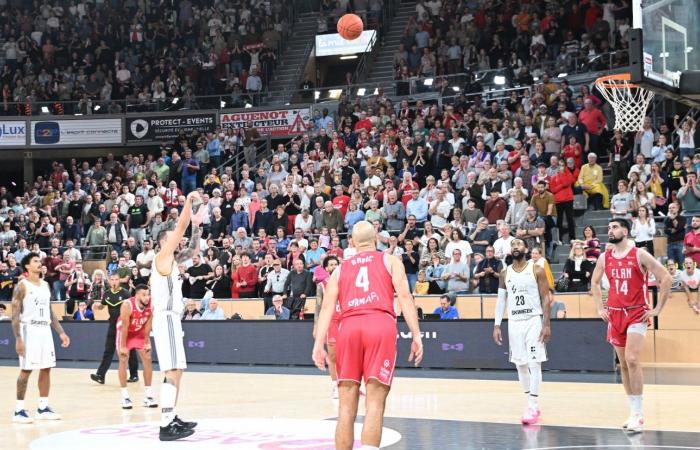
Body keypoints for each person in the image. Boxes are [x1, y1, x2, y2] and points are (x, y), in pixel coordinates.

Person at [312, 221, 423, 450]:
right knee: (374, 403)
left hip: (348, 328)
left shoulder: (341, 269)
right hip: (379, 325)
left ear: (351, 243)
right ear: (376, 240)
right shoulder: (389, 260)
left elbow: (327, 308)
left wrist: (318, 344)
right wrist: (416, 335)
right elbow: (405, 298)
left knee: (345, 407)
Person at [591, 218, 671, 433]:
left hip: (636, 312)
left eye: (615, 227)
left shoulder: (639, 254)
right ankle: (633, 411)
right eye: (608, 227)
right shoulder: (604, 257)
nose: (610, 230)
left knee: (632, 359)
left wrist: (657, 310)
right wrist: (600, 307)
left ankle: (639, 414)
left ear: (625, 231)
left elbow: (666, 278)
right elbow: (595, 282)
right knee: (624, 365)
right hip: (615, 314)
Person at [151, 191, 204, 441]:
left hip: (172, 318)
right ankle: (165, 424)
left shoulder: (173, 260)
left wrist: (197, 226)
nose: (177, 239)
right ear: (164, 241)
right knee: (172, 369)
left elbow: (193, 250)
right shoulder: (162, 257)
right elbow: (180, 227)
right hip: (165, 318)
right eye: (173, 237)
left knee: (177, 370)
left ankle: (171, 416)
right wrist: (188, 203)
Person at [492, 239, 551, 425]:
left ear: (525, 249)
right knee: (520, 365)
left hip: (533, 320)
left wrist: (547, 324)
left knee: (534, 363)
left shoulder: (537, 270)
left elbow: (545, 298)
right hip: (514, 322)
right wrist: (496, 325)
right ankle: (530, 403)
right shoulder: (504, 273)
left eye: (519, 244)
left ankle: (533, 405)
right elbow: (501, 301)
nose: (516, 247)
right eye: (513, 244)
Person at [12, 252, 71, 423]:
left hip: (45, 329)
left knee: (46, 367)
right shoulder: (22, 286)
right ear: (27, 266)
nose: (39, 263)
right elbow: (15, 315)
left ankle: (43, 407)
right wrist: (18, 338)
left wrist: (61, 332)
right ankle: (19, 410)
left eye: (40, 260)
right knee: (26, 369)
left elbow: (50, 312)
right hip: (28, 330)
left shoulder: (45, 285)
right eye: (35, 261)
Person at [91, 273, 139, 385]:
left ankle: (134, 375)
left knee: (130, 350)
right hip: (112, 325)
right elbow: (103, 305)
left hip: (125, 325)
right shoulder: (107, 293)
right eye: (112, 279)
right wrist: (97, 307)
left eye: (116, 279)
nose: (114, 281)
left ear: (119, 281)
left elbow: (132, 308)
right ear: (109, 280)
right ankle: (100, 375)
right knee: (108, 350)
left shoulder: (126, 293)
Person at [117, 284, 157, 410]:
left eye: (148, 294)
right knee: (123, 360)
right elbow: (124, 327)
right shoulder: (127, 305)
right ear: (137, 295)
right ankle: (125, 397)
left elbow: (148, 325)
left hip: (139, 332)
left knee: (147, 358)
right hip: (125, 333)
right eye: (144, 295)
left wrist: (147, 341)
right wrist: (123, 346)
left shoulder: (151, 305)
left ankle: (148, 395)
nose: (147, 297)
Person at [312, 255, 341, 398]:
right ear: (325, 268)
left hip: (347, 321)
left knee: (350, 355)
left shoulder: (347, 281)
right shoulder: (322, 285)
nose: (334, 266)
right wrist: (317, 326)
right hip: (332, 322)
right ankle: (335, 386)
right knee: (333, 357)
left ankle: (351, 384)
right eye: (330, 265)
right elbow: (318, 307)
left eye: (336, 264)